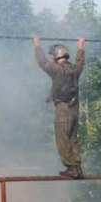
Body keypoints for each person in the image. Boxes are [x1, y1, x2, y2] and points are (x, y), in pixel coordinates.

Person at [33, 37, 86, 178]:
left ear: (56, 56)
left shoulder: (56, 69)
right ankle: (77, 168)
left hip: (63, 110)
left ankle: (71, 168)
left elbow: (42, 62)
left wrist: (37, 45)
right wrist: (80, 47)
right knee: (73, 139)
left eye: (53, 56)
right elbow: (80, 62)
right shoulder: (75, 70)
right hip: (74, 110)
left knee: (62, 139)